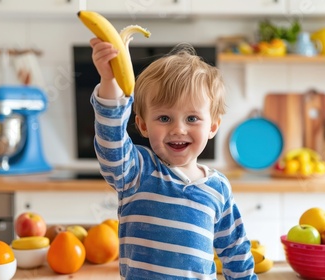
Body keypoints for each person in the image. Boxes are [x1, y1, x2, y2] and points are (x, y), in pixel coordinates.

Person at [89, 37, 257, 280]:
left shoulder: (218, 188)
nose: (179, 129)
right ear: (143, 125)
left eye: (192, 119)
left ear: (213, 127)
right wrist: (109, 81)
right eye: (165, 118)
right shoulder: (136, 171)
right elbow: (111, 139)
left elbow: (235, 251)